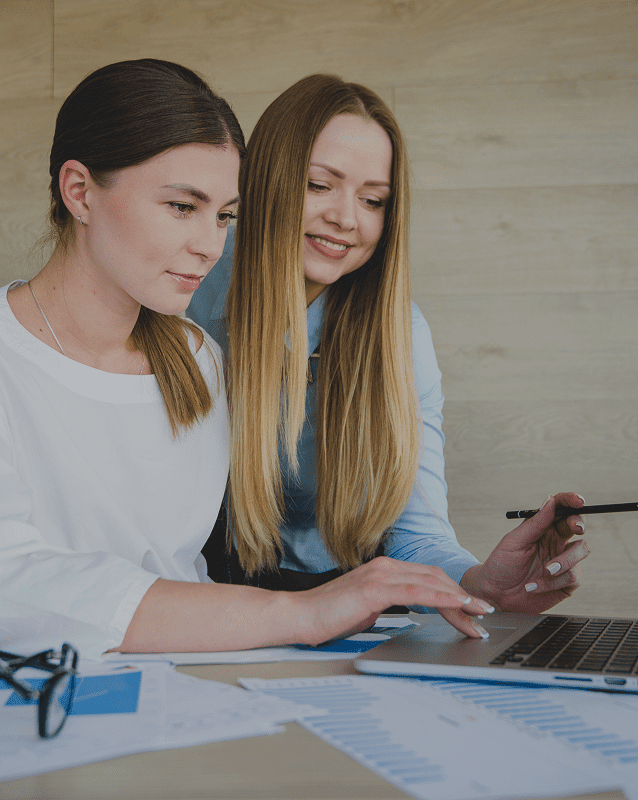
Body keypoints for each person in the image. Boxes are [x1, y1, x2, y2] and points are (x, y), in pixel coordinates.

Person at [1, 59, 509, 662]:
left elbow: (184, 573)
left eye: (224, 216)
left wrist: (475, 582)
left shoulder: (198, 362)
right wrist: (299, 612)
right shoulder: (193, 324)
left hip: (198, 668)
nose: (210, 245)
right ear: (78, 191)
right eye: (182, 207)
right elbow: (18, 583)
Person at [188, 74, 589, 618]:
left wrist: (480, 584)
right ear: (265, 179)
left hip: (356, 604)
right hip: (202, 596)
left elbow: (417, 536)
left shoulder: (400, 332)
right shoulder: (188, 283)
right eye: (317, 185)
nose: (347, 219)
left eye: (374, 199)